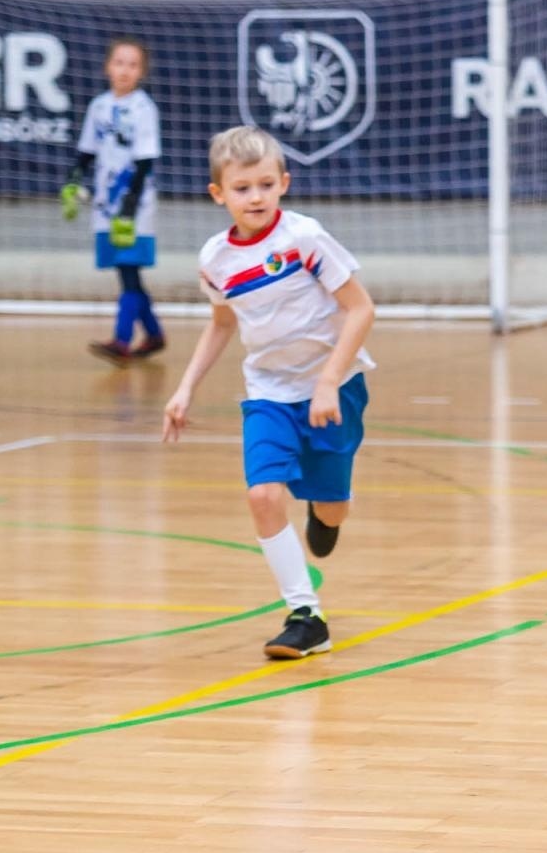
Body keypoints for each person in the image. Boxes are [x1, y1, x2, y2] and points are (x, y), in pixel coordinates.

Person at [161, 125, 375, 659]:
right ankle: (306, 614)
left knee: (332, 511)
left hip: (334, 389)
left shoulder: (304, 239)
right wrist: (184, 388)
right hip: (268, 393)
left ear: (283, 183)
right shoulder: (216, 260)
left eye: (264, 185)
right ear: (219, 194)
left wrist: (328, 380)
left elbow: (361, 308)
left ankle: (324, 514)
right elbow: (221, 324)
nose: (254, 197)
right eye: (241, 188)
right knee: (261, 495)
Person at [63, 36, 166, 365]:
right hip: (106, 203)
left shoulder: (143, 109)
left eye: (133, 65)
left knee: (129, 272)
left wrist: (129, 207)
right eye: (119, 62)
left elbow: (145, 161)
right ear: (108, 67)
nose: (125, 70)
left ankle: (122, 340)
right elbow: (87, 150)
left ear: (142, 72)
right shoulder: (99, 106)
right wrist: (73, 179)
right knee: (126, 272)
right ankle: (153, 335)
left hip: (134, 205)